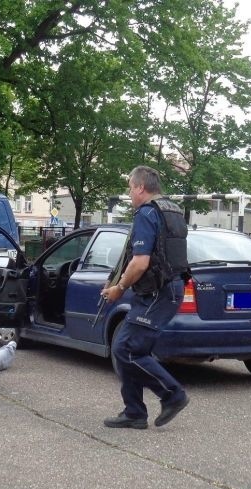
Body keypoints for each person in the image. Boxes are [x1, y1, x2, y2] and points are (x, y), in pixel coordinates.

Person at [100, 165, 190, 429]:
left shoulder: (147, 213)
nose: (129, 193)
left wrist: (119, 289)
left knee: (124, 348)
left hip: (157, 293)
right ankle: (134, 412)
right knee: (134, 348)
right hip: (166, 288)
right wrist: (115, 279)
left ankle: (173, 395)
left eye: (130, 187)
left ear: (140, 187)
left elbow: (140, 262)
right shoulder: (171, 210)